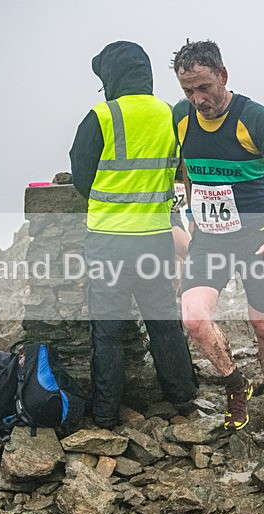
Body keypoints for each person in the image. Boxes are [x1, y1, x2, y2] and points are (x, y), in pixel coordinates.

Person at [171, 40, 264, 434]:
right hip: (210, 240)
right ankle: (236, 384)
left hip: (258, 240)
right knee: (194, 319)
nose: (198, 99)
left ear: (223, 75)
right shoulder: (181, 117)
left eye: (204, 88)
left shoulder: (254, 118)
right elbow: (186, 168)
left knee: (263, 327)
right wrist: (190, 214)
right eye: (188, 91)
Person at [69, 41, 198, 429]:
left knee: (107, 332)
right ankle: (183, 397)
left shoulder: (101, 116)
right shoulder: (171, 115)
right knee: (164, 323)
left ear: (112, 76)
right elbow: (184, 170)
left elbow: (81, 177)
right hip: (155, 238)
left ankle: (105, 414)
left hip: (108, 241)